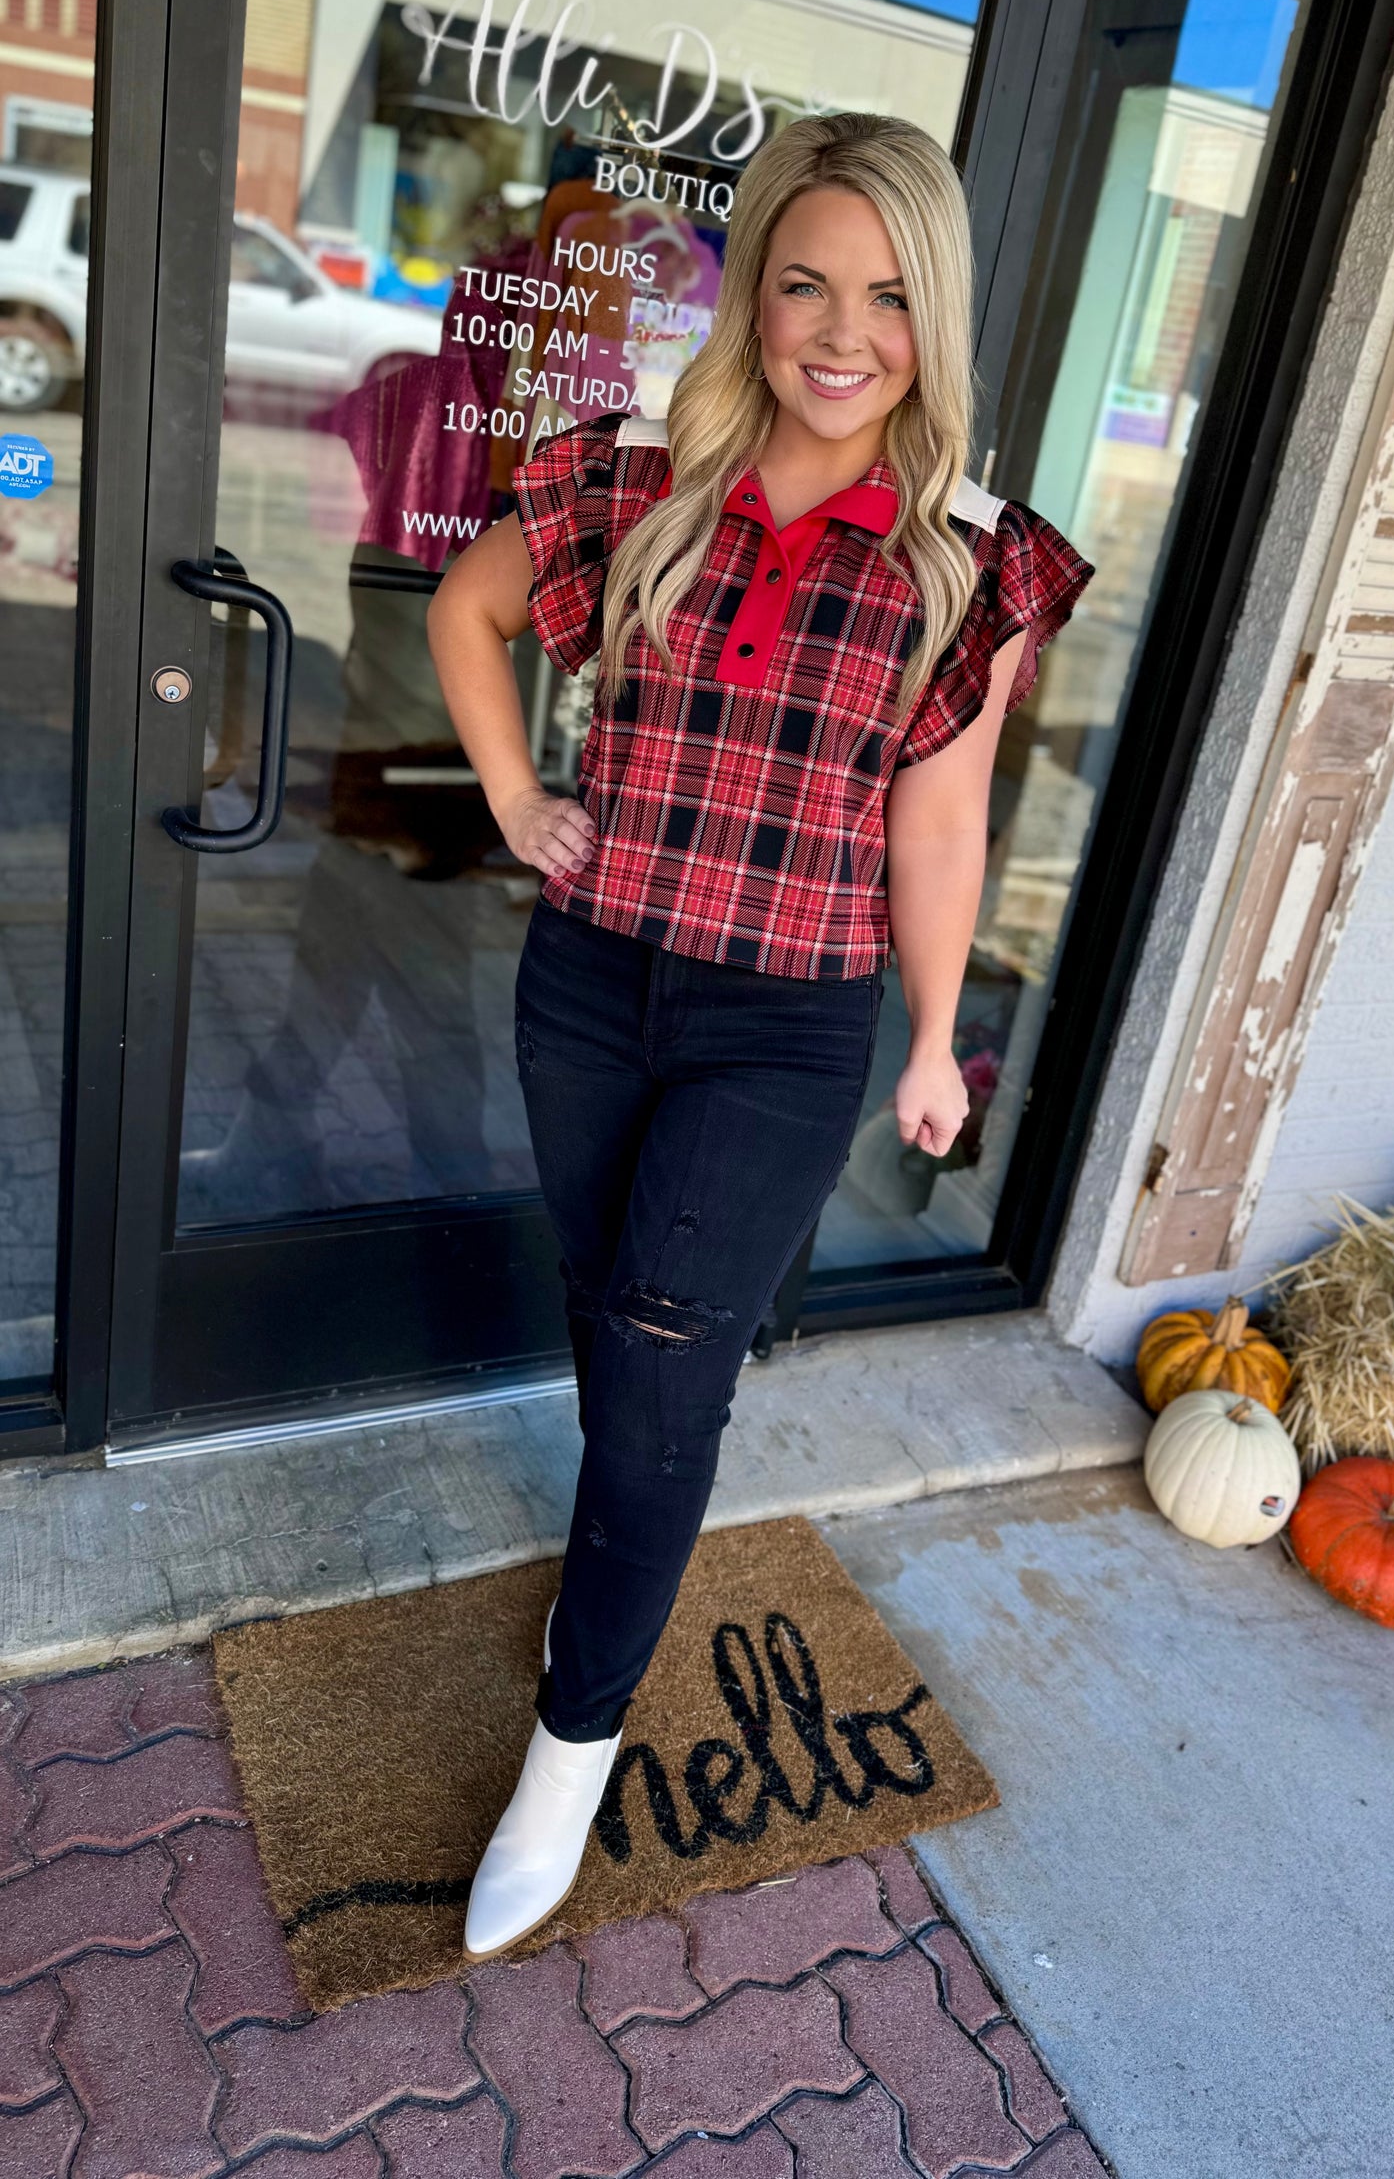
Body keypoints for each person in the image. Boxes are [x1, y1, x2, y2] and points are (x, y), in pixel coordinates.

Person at [427, 112, 1093, 1960]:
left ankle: (571, 1744)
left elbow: (938, 821)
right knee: (611, 1317)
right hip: (587, 979)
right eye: (802, 278)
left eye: (884, 294)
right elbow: (475, 614)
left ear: (930, 319)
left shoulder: (970, 560)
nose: (837, 327)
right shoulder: (648, 473)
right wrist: (508, 796)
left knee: (656, 1367)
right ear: (751, 293)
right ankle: (611, 1589)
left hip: (783, 1020)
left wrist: (936, 1041)